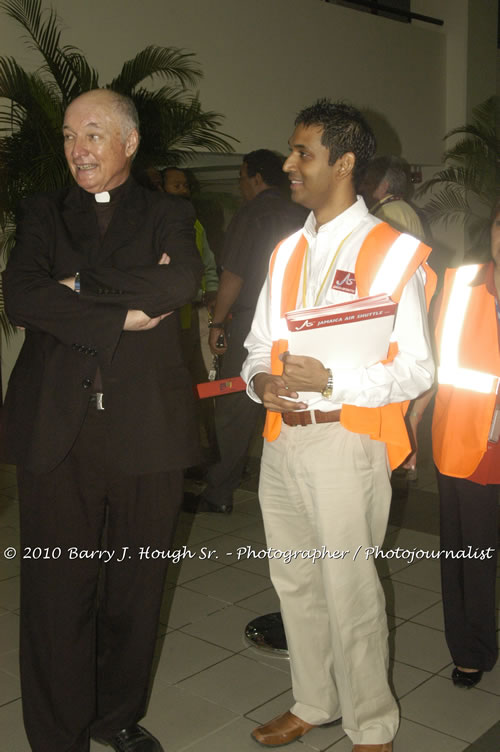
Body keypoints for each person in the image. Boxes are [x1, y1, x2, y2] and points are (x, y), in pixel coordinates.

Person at [2, 89, 203, 752]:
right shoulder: (42, 212)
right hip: (58, 433)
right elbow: (20, 295)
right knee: (58, 595)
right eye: (67, 135)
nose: (76, 149)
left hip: (147, 430)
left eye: (92, 134)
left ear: (130, 142)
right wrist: (120, 309)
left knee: (134, 593)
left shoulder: (170, 211)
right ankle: (57, 738)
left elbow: (178, 287)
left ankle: (115, 717)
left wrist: (75, 287)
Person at [241, 99, 436, 752]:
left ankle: (371, 728)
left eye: (303, 153)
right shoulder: (286, 251)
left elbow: (416, 370)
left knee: (349, 589)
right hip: (282, 441)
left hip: (348, 441)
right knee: (294, 580)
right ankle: (313, 702)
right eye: (292, 152)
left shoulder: (393, 252)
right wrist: (259, 381)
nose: (290, 165)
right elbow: (256, 344)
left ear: (344, 163)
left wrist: (330, 383)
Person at [187, 149, 305, 513]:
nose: (240, 185)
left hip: (253, 324)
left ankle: (218, 493)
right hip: (298, 326)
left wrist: (218, 323)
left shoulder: (251, 214)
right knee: (292, 401)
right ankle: (295, 495)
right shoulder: (303, 213)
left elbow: (234, 275)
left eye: (241, 177)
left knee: (235, 407)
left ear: (256, 178)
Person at [413, 198, 500, 689]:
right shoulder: (460, 282)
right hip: (468, 440)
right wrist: (416, 411)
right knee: (468, 555)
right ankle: (470, 649)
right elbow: (432, 355)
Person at [163, 166, 219, 457]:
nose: (183, 190)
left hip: (190, 323)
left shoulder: (195, 226)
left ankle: (197, 450)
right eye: (176, 185)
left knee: (198, 385)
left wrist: (211, 294)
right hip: (161, 325)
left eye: (185, 185)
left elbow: (208, 267)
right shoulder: (153, 225)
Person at [359, 155, 425, 240]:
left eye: (367, 183)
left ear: (383, 186)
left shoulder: (387, 213)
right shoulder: (403, 208)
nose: (361, 188)